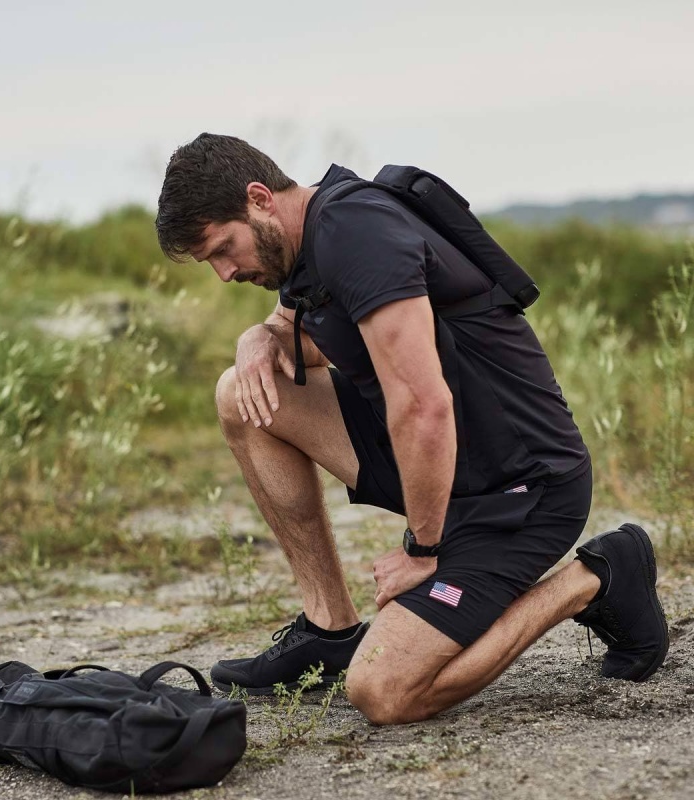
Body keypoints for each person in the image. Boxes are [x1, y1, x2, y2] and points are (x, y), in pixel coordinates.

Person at [155, 133, 669, 725]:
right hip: (445, 467)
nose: (223, 273)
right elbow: (299, 342)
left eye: (223, 248)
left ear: (259, 198)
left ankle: (596, 577)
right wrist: (257, 338)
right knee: (240, 395)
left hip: (521, 488)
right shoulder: (306, 246)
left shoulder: (356, 233)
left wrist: (421, 549)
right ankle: (329, 630)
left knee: (384, 692)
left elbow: (424, 406)